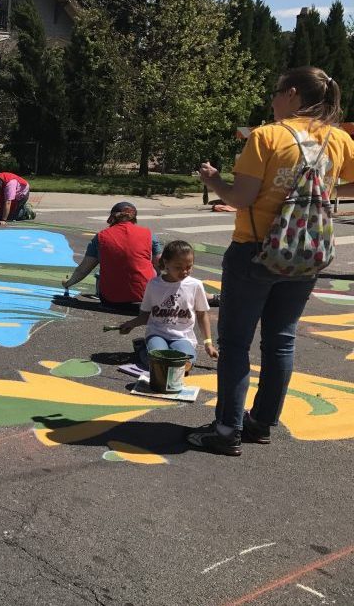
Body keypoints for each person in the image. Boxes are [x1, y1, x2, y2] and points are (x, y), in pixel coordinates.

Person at [188, 66, 354, 456]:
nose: (273, 99)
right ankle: (260, 423)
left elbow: (241, 199)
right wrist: (328, 189)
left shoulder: (267, 137)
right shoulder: (338, 140)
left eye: (277, 92)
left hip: (256, 250)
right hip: (307, 255)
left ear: (292, 93)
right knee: (281, 339)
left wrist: (212, 178)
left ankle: (226, 429)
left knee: (234, 343)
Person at [116, 240, 218, 369]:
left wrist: (208, 343)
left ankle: (150, 353)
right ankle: (143, 350)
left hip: (183, 337)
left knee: (183, 365)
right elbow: (145, 315)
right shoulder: (154, 284)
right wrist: (130, 324)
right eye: (178, 267)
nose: (185, 271)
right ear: (166, 263)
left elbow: (202, 315)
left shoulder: (195, 285)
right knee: (159, 362)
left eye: (189, 266)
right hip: (157, 333)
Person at [62, 201, 162, 312]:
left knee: (102, 272)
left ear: (112, 218)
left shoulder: (101, 237)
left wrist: (67, 283)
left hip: (111, 301)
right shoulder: (148, 234)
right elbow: (160, 265)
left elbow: (83, 269)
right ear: (134, 218)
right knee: (150, 267)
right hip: (145, 302)